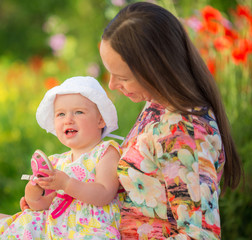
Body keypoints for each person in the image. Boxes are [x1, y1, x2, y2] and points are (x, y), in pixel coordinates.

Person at [98, 2, 243, 239]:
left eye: (123, 77)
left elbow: (200, 235)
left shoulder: (185, 133)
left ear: (155, 69)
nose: (112, 85)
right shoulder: (157, 105)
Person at [0, 76, 124, 240]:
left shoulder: (106, 152)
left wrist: (67, 184)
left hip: (90, 229)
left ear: (100, 119)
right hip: (57, 228)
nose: (68, 120)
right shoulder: (58, 161)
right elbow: (50, 204)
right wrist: (33, 197)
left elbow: (105, 194)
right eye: (60, 114)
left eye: (78, 112)